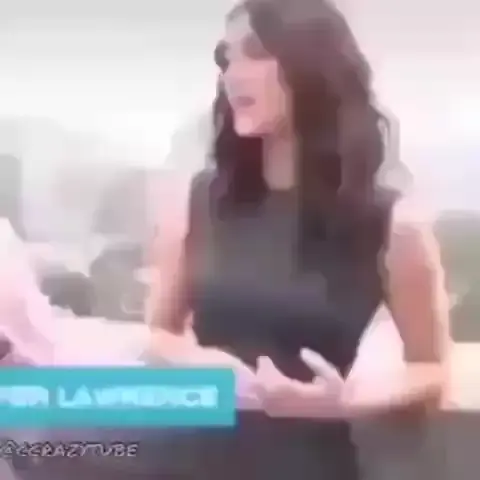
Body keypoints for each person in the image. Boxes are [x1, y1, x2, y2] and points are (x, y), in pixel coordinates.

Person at [148, 0, 450, 479]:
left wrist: (344, 401)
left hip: (308, 464)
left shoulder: (391, 224)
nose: (233, 74)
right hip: (190, 461)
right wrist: (202, 364)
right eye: (227, 58)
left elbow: (431, 369)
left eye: (256, 52)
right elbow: (159, 334)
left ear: (312, 65)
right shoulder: (200, 201)